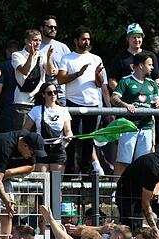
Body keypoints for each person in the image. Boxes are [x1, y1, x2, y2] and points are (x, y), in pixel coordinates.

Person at [57, 26, 110, 174]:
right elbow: (60, 79)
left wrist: (97, 74)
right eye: (83, 39)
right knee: (71, 138)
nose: (86, 42)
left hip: (92, 104)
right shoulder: (67, 58)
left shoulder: (96, 58)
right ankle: (70, 172)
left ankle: (87, 171)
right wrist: (77, 74)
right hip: (73, 103)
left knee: (88, 139)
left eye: (88, 39)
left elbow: (100, 84)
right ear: (76, 40)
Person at [112, 52, 159, 175]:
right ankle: (116, 191)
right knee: (123, 161)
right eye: (149, 64)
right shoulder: (126, 81)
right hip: (129, 126)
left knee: (144, 162)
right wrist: (125, 105)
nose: (152, 67)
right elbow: (113, 98)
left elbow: (158, 101)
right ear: (140, 66)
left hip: (147, 127)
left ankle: (139, 192)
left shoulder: (152, 84)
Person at [11, 29, 57, 128]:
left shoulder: (43, 56)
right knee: (22, 134)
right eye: (35, 40)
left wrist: (48, 57)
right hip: (22, 102)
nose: (38, 43)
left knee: (38, 134)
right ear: (27, 41)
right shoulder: (17, 55)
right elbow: (24, 71)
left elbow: (50, 72)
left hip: (39, 101)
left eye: (40, 40)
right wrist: (31, 55)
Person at [23, 82, 73, 172]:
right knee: (41, 180)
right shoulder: (36, 110)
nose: (53, 95)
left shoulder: (63, 110)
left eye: (55, 92)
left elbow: (68, 130)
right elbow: (25, 130)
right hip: (41, 148)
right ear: (43, 94)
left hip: (58, 148)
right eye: (49, 93)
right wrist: (32, 142)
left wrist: (69, 137)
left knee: (56, 181)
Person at [108, 23, 159, 91]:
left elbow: (157, 77)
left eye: (139, 37)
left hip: (148, 96)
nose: (137, 40)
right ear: (127, 39)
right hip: (127, 99)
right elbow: (111, 80)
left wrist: (157, 86)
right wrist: (122, 94)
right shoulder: (120, 58)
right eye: (134, 37)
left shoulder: (150, 55)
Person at [39, 15, 71, 103]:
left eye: (55, 27)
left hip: (60, 94)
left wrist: (59, 72)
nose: (53, 29)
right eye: (50, 27)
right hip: (40, 93)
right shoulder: (35, 47)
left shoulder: (63, 47)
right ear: (41, 28)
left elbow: (72, 69)